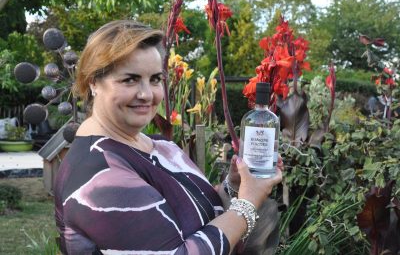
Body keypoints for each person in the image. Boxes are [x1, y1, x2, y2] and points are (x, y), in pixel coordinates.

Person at [54, 20, 283, 255]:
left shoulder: (163, 148)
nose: (146, 94)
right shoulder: (97, 174)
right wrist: (247, 204)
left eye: (154, 79)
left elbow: (199, 213)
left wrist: (235, 185)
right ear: (94, 82)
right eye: (129, 79)